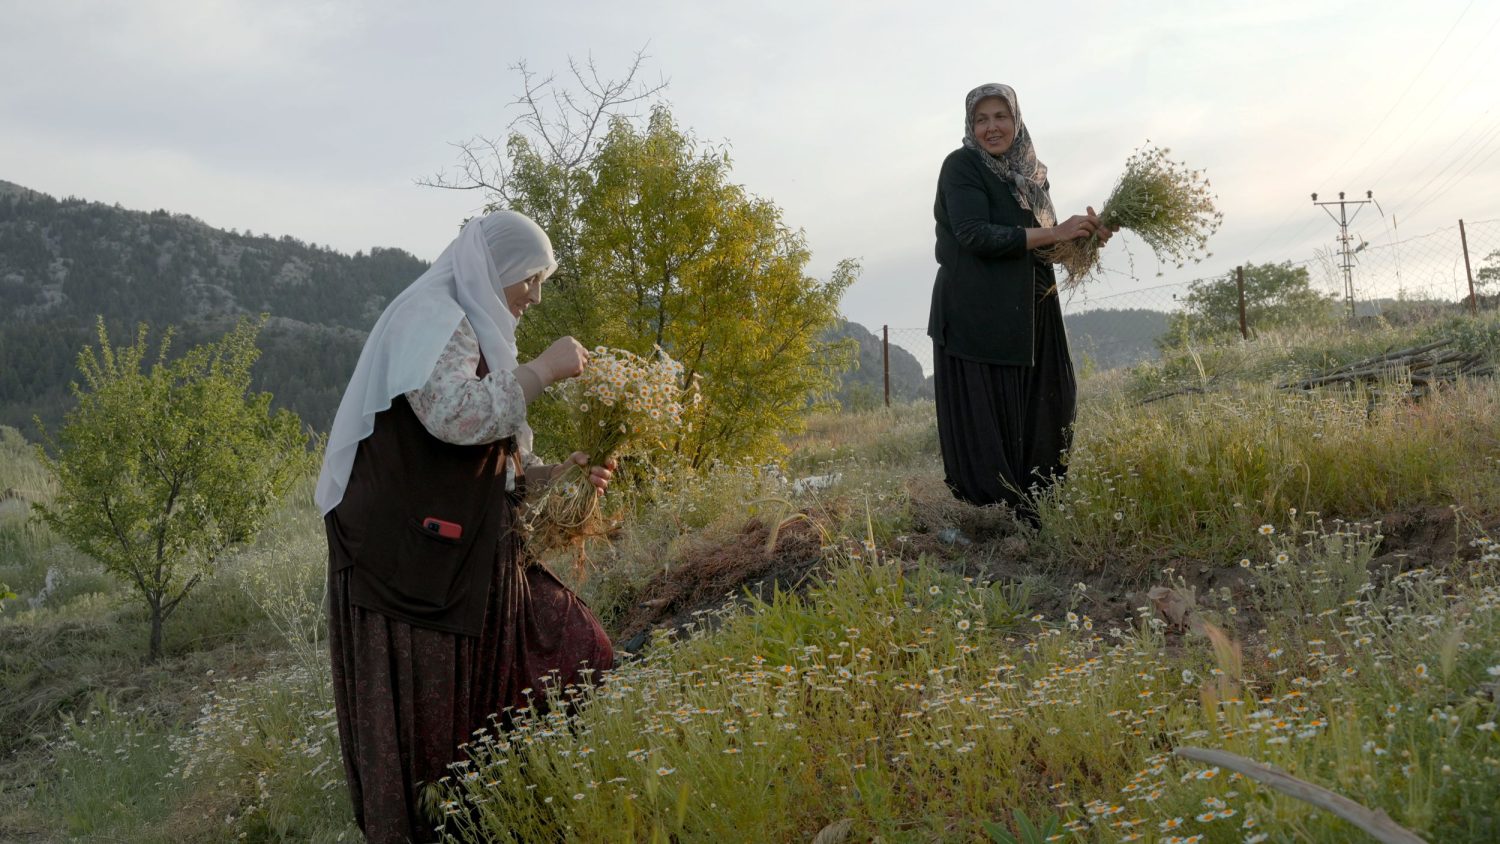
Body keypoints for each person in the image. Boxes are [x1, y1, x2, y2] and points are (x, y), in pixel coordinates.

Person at [315, 209, 616, 843]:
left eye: (541, 282)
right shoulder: (434, 314)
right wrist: (541, 371)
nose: (534, 295)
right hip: (409, 564)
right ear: (495, 269)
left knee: (575, 644)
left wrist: (560, 473)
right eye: (529, 279)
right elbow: (450, 415)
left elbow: (493, 461)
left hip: (458, 554)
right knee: (430, 732)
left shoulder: (475, 324)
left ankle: (516, 812)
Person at [927, 83, 1114, 523]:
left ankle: (1037, 512)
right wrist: (1057, 232)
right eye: (981, 119)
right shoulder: (962, 166)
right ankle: (990, 519)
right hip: (979, 315)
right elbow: (975, 234)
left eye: (1000, 116)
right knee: (990, 418)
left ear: (1017, 120)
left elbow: (1047, 245)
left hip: (1032, 312)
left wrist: (1087, 237)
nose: (992, 127)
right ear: (971, 127)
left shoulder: (1031, 176)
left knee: (1051, 405)